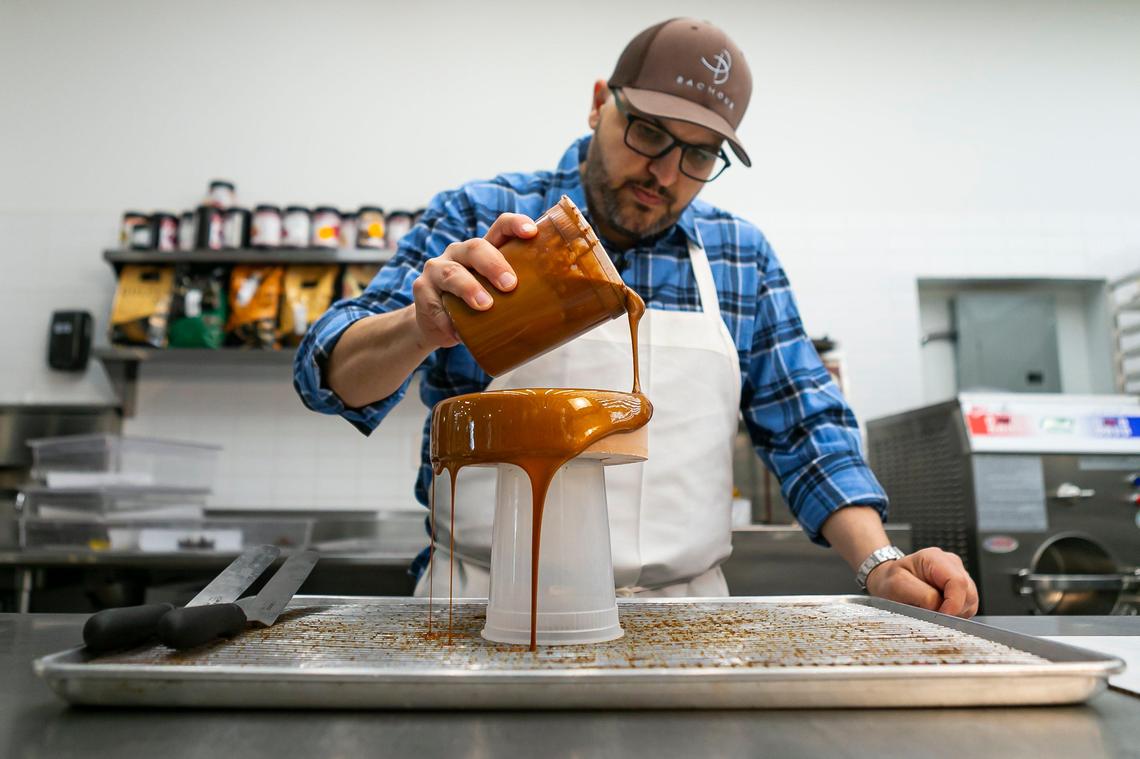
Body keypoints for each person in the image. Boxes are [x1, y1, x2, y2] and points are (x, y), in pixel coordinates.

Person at [294, 18, 979, 617]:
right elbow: (328, 375)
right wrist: (418, 328)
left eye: (700, 154)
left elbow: (805, 430)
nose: (665, 172)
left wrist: (881, 564)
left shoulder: (740, 256)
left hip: (687, 622)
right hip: (481, 605)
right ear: (599, 104)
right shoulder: (480, 217)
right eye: (648, 132)